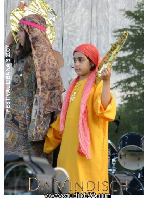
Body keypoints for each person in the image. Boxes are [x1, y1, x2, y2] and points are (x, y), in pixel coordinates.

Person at [44, 44, 116, 194]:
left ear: (92, 62)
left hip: (88, 154)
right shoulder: (73, 86)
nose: (76, 64)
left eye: (81, 60)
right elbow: (64, 120)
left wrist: (107, 82)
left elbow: (105, 109)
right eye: (74, 60)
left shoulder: (98, 85)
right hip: (68, 153)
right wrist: (47, 141)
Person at [4, 10, 64, 159]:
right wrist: (18, 14)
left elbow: (50, 98)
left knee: (33, 170)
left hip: (33, 127)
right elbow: (6, 48)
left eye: (20, 31)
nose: (17, 35)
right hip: (14, 124)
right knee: (12, 168)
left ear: (31, 33)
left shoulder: (45, 61)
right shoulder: (20, 56)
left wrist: (38, 127)